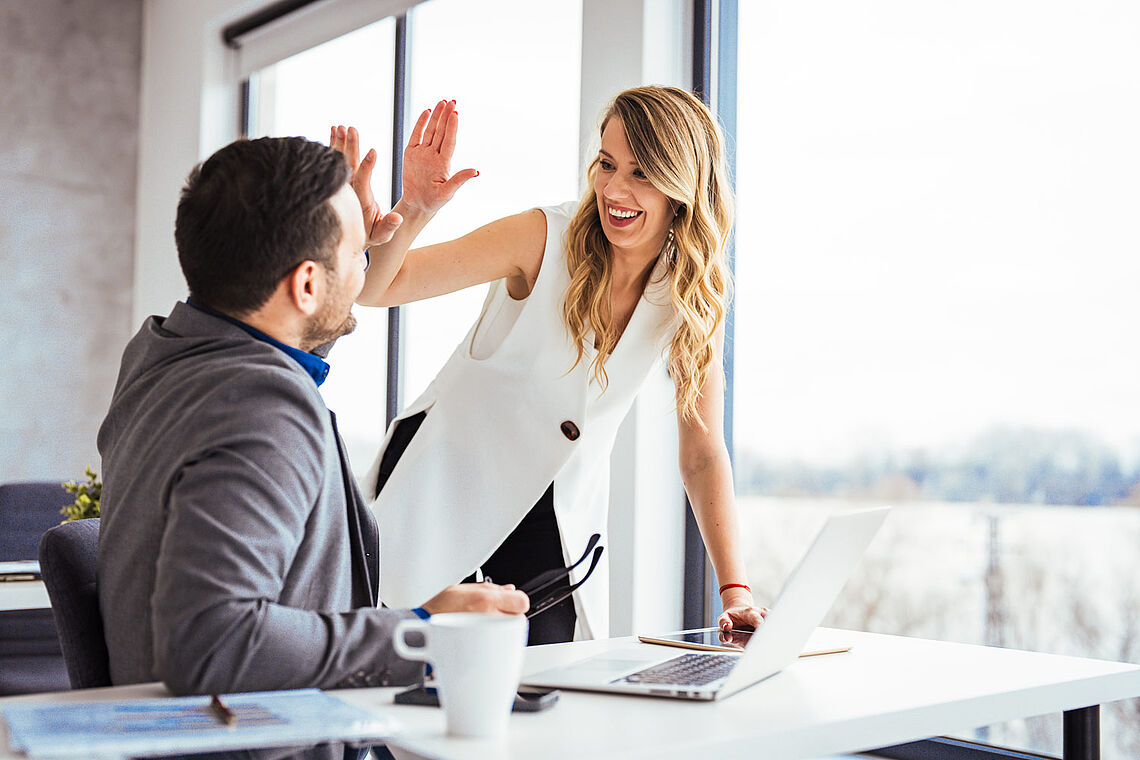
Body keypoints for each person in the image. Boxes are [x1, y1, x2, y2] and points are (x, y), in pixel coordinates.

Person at [96, 135, 528, 696]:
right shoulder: (262, 410)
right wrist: (423, 633)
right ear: (305, 284)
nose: (364, 271)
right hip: (252, 732)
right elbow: (212, 645)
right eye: (355, 257)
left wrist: (348, 244)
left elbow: (272, 345)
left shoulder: (163, 354)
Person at [334, 86, 765, 645]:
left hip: (554, 519)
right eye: (607, 165)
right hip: (443, 490)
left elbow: (703, 453)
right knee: (416, 674)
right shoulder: (542, 237)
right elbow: (377, 289)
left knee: (551, 683)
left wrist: (736, 592)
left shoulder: (690, 293)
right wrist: (416, 208)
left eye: (641, 173)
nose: (614, 190)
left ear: (682, 185)